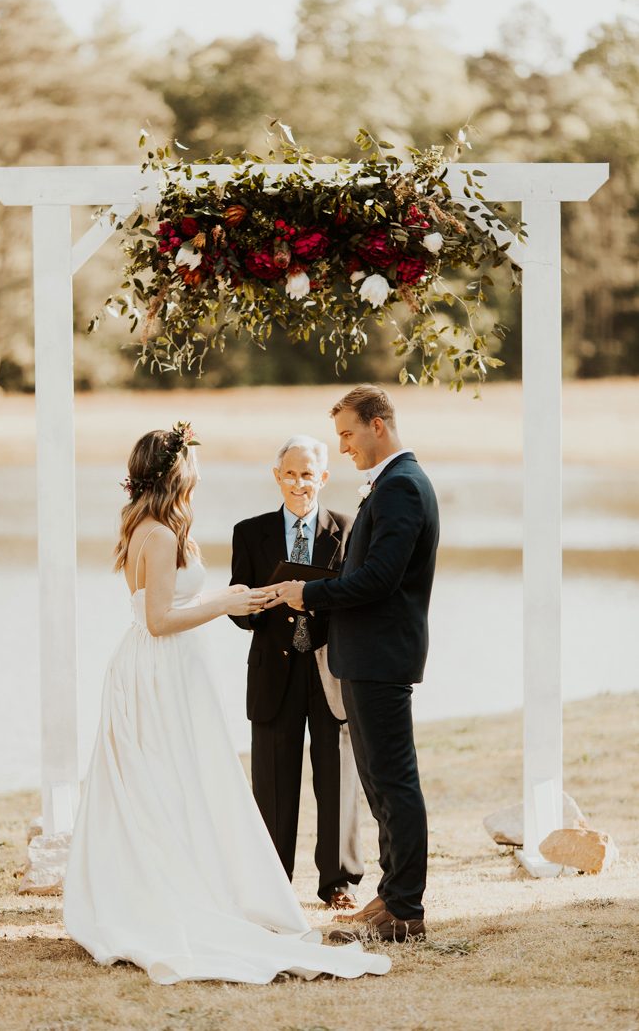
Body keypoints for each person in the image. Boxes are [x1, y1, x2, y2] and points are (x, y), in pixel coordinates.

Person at [63, 421, 389, 985]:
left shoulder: (147, 525)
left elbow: (160, 608)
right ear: (176, 474)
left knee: (165, 782)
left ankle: (169, 880)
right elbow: (160, 620)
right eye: (193, 468)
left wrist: (231, 596)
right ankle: (171, 892)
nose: (199, 477)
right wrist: (224, 603)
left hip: (155, 666)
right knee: (168, 780)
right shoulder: (161, 536)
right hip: (160, 669)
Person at [263, 386, 439, 944]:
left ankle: (406, 910)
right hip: (367, 656)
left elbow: (380, 579)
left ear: (378, 425)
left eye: (347, 434)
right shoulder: (390, 485)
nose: (342, 448)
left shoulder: (402, 488)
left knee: (394, 781)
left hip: (381, 657)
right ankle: (390, 894)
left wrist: (307, 594)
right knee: (378, 781)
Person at [229, 435, 363, 910]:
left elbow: (357, 599)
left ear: (323, 478)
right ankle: (272, 881)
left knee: (337, 778)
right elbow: (238, 610)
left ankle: (338, 883)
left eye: (308, 474)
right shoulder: (249, 532)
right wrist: (264, 599)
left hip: (330, 670)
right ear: (276, 476)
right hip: (273, 672)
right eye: (290, 473)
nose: (299, 483)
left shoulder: (348, 528)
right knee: (273, 781)